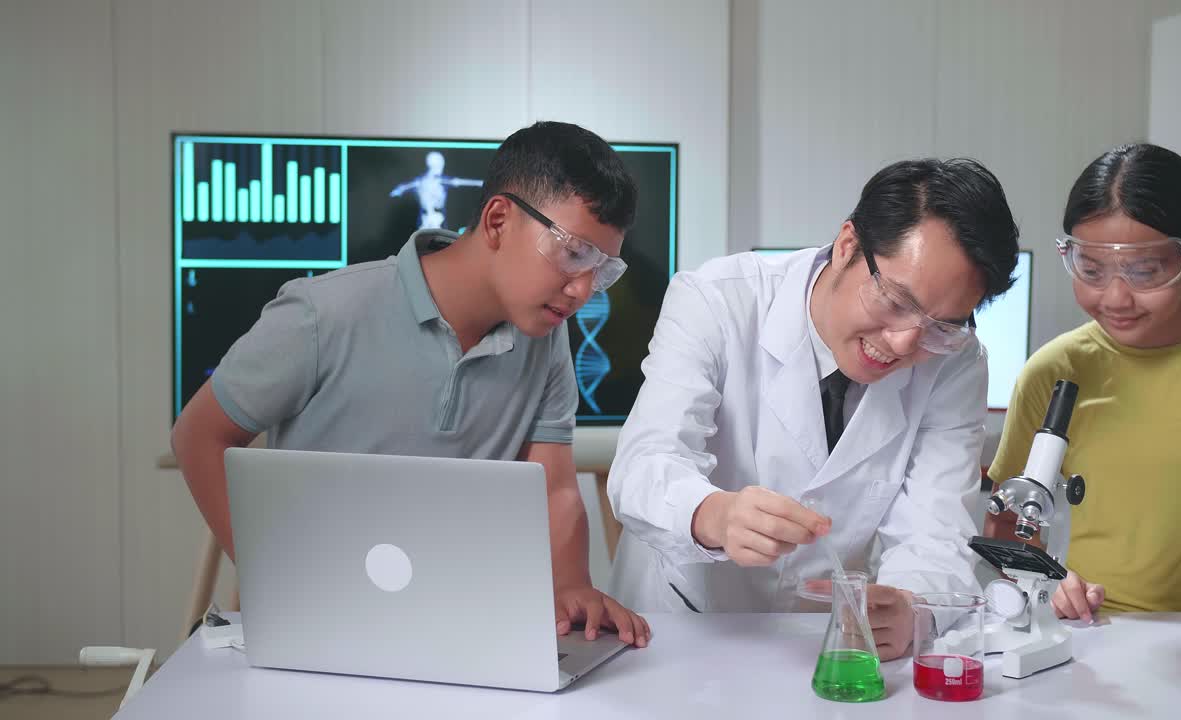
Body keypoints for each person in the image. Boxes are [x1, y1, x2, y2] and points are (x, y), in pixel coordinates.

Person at [172, 121, 650, 647]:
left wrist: (573, 586)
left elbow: (555, 488)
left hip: (461, 626)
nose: (582, 290)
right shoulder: (322, 314)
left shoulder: (546, 341)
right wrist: (275, 574)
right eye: (574, 254)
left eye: (601, 271)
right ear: (497, 221)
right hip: (324, 625)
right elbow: (199, 435)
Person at [608, 158, 1021, 659]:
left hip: (818, 641)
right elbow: (645, 463)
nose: (904, 342)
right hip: (676, 621)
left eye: (943, 325)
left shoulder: (955, 361)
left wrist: (915, 609)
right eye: (894, 300)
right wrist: (713, 513)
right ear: (848, 245)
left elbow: (935, 528)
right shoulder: (717, 300)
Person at [986, 143, 1181, 629]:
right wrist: (1052, 580)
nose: (1116, 297)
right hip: (1088, 639)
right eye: (1092, 270)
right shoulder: (1052, 372)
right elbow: (1005, 524)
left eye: (1145, 271)